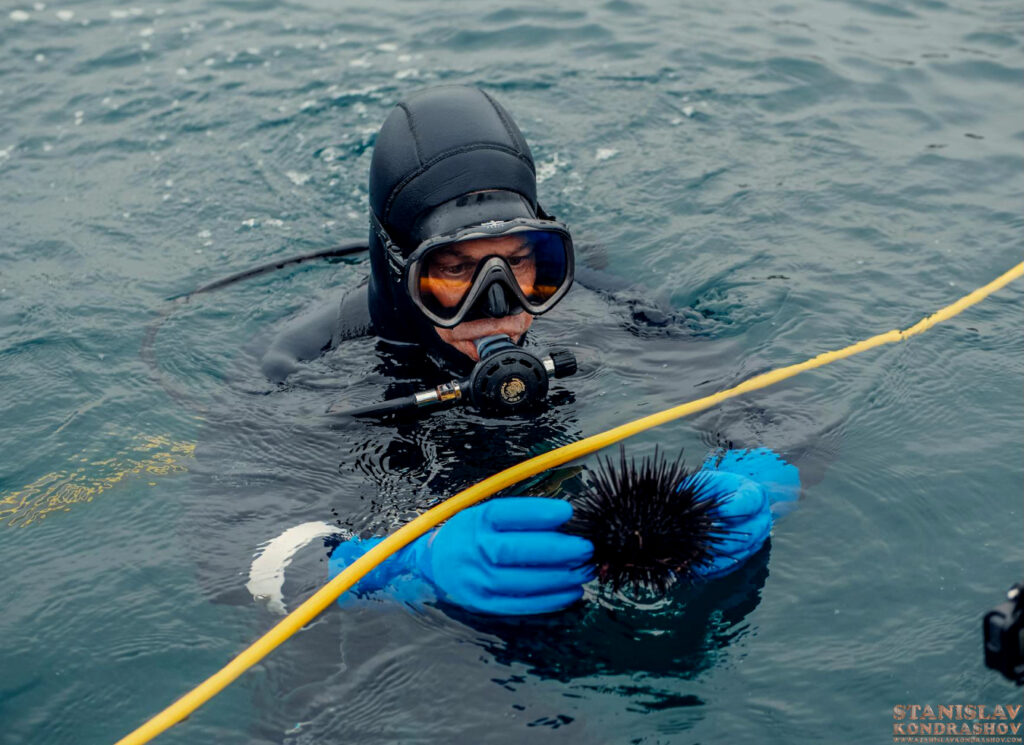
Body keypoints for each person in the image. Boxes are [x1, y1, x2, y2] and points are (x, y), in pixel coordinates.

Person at [257, 85, 801, 616]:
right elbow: (242, 548)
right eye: (454, 269)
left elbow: (760, 399)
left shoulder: (596, 307)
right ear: (400, 268)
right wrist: (395, 571)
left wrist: (759, 471)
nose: (498, 306)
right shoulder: (305, 364)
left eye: (518, 261)